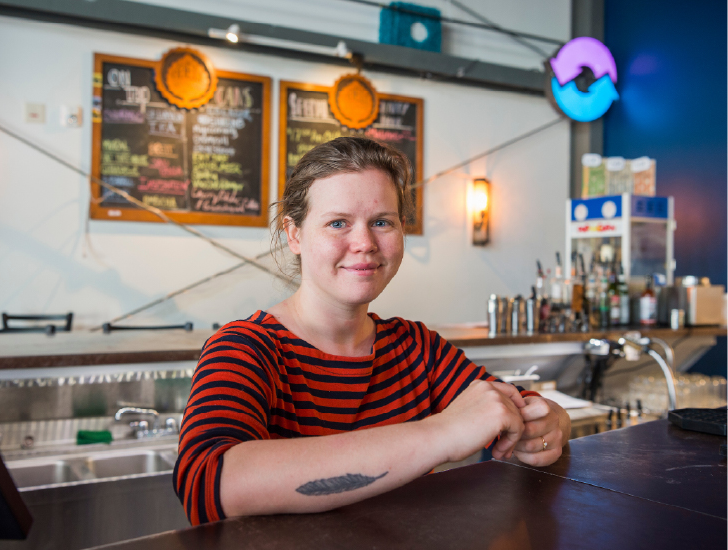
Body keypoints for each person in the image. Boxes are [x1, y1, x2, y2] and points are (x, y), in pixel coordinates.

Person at [174, 136, 571, 526]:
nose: (364, 243)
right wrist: (441, 433)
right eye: (337, 223)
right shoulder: (245, 347)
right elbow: (210, 485)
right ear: (294, 234)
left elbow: (512, 409)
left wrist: (547, 422)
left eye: (382, 222)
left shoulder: (416, 347)